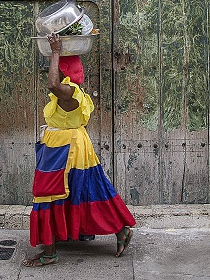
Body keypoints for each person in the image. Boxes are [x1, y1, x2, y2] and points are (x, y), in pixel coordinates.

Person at [23, 32, 136, 267]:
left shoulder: (70, 94)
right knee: (85, 191)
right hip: (68, 147)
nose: (52, 71)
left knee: (48, 195)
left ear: (64, 73)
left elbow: (52, 83)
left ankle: (50, 253)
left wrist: (55, 51)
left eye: (57, 67)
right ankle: (120, 231)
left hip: (64, 152)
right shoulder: (74, 94)